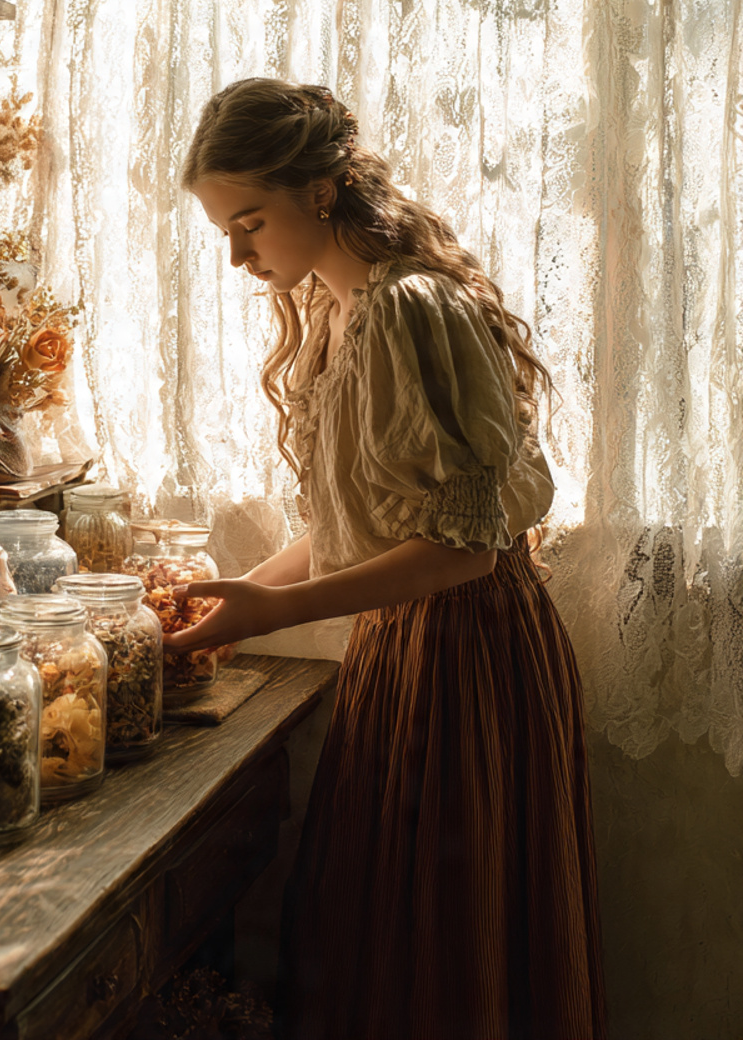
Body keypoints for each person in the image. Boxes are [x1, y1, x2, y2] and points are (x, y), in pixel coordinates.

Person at [165, 79, 606, 1040]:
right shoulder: (340, 307)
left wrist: (266, 614)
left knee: (443, 949)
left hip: (466, 652)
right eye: (222, 232)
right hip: (411, 647)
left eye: (249, 222)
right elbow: (358, 523)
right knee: (391, 933)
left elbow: (459, 553)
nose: (236, 256)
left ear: (319, 191)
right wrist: (226, 604)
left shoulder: (408, 307)